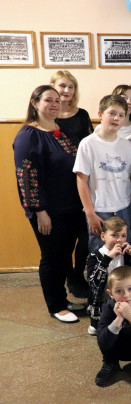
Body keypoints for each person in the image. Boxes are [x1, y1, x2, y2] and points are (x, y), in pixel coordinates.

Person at [13, 85, 86, 323]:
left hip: (71, 207)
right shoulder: (28, 136)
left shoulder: (61, 130)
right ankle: (55, 306)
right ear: (35, 103)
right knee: (52, 257)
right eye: (48, 100)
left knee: (64, 256)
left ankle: (63, 299)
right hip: (48, 211)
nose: (55, 104)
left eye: (57, 100)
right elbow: (26, 177)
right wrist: (39, 211)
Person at [74, 95, 131, 253]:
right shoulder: (88, 144)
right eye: (112, 113)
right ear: (100, 114)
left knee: (124, 256)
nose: (116, 118)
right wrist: (90, 214)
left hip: (125, 209)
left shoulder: (127, 146)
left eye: (121, 115)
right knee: (101, 256)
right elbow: (82, 181)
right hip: (100, 211)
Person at [49, 70, 92, 298]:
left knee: (85, 235)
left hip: (83, 182)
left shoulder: (82, 115)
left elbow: (92, 144)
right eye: (62, 86)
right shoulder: (48, 116)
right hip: (60, 186)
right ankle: (69, 277)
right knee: (64, 239)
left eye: (70, 86)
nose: (66, 90)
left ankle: (78, 273)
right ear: (53, 88)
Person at [86, 217, 131, 335]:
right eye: (114, 235)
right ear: (103, 236)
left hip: (127, 298)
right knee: (102, 330)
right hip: (104, 302)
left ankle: (128, 319)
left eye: (123, 236)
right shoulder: (94, 256)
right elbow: (94, 284)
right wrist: (107, 259)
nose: (119, 240)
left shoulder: (128, 255)